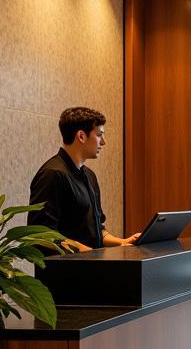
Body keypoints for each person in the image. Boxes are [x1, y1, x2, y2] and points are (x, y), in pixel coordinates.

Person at [29, 107, 139, 251]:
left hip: (91, 268)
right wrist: (83, 250)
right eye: (99, 135)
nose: (103, 142)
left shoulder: (90, 176)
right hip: (64, 272)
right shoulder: (51, 174)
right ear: (81, 136)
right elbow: (41, 235)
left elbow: (97, 230)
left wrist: (124, 242)